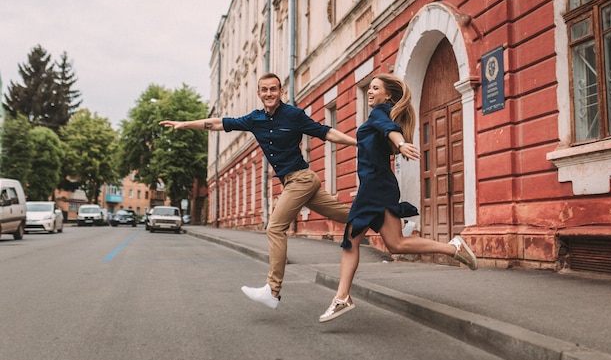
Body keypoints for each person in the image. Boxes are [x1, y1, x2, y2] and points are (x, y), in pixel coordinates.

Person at [159, 72, 356, 310]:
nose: (269, 94)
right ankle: (387, 218)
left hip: (301, 180)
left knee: (274, 228)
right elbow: (220, 123)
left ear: (281, 92)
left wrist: (357, 143)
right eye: (264, 90)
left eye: (273, 89)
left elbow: (325, 131)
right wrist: (186, 124)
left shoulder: (293, 115)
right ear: (259, 94)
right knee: (349, 216)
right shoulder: (255, 119)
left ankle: (273, 291)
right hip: (297, 181)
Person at [318, 73, 478, 323]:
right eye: (368, 88)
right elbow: (384, 132)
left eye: (375, 88)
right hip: (379, 185)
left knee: (351, 239)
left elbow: (388, 128)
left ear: (388, 95)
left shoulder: (381, 112)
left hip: (373, 187)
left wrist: (401, 144)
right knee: (396, 244)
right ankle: (453, 248)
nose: (369, 92)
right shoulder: (385, 114)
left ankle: (342, 297)